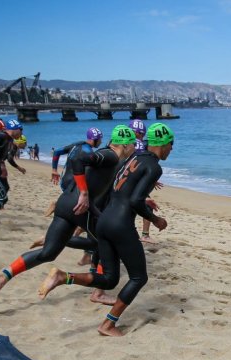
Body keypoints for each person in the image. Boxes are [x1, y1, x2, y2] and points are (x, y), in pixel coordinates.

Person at [38, 123, 173, 337]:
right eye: (171, 145)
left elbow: (118, 189)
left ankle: (64, 277)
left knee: (110, 279)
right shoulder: (154, 166)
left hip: (103, 220)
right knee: (139, 278)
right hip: (121, 225)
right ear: (163, 144)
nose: (171, 150)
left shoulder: (132, 159)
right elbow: (136, 200)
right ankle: (108, 325)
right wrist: (155, 219)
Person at [0, 125, 137, 308]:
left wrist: (90, 202)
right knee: (108, 243)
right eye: (134, 145)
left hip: (65, 204)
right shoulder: (111, 156)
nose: (135, 149)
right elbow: (79, 160)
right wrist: (84, 194)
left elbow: (86, 174)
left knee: (48, 253)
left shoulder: (106, 155)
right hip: (79, 207)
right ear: (126, 145)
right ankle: (92, 289)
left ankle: (1, 278)